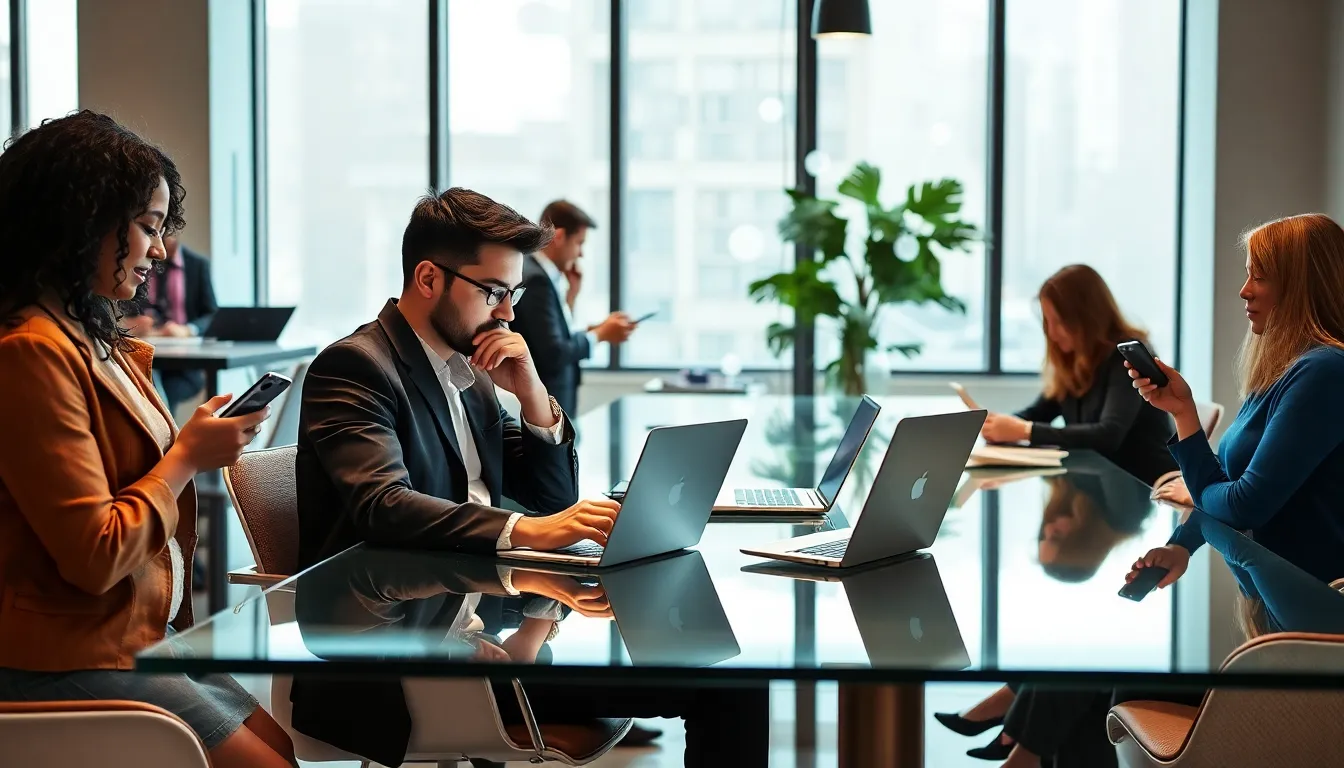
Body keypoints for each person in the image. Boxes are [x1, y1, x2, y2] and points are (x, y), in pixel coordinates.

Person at [294, 187, 768, 767]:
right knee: (727, 685)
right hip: (404, 656)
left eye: (513, 293)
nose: (509, 313)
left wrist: (535, 397)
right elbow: (383, 506)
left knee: (725, 667)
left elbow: (552, 500)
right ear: (427, 279)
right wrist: (529, 533)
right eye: (493, 292)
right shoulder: (356, 367)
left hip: (482, 625)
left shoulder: (470, 376)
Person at [959, 213, 1344, 768]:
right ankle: (1029, 755)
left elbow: (1244, 503)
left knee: (1121, 675)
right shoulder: (1285, 375)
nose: (1244, 289)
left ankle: (1026, 753)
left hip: (1309, 638)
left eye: (1259, 275)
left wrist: (1184, 415)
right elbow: (1232, 490)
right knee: (1117, 675)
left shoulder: (1325, 373)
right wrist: (1182, 546)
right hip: (1275, 608)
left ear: (1301, 282)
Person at [0, 111, 294, 768]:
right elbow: (95, 555)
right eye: (149, 227)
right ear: (84, 225)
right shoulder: (31, 353)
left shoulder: (92, 341)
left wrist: (194, 445)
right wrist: (189, 456)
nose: (160, 251)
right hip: (59, 653)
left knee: (279, 748)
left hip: (134, 634)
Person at [979, 265, 1178, 486]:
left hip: (1142, 487)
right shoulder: (1075, 358)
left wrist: (1024, 431)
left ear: (1085, 317)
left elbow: (1108, 435)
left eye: (1058, 322)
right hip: (1097, 483)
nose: (1052, 334)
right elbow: (1039, 412)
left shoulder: (1125, 359)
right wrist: (999, 425)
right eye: (1047, 322)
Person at [509, 200, 634, 416]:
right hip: (544, 406)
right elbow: (553, 353)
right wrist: (600, 335)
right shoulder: (536, 279)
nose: (581, 254)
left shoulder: (545, 275)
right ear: (559, 237)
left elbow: (552, 337)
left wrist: (571, 297)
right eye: (579, 243)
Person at [124, 234, 219, 412]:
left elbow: (212, 314)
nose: (158, 247)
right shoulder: (140, 266)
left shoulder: (197, 265)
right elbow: (124, 309)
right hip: (144, 357)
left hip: (184, 366)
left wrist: (188, 330)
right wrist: (130, 323)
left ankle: (168, 438)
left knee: (161, 396)